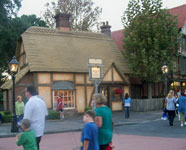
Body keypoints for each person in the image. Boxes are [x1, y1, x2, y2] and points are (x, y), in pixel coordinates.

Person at [24, 85, 48, 150]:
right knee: (36, 146)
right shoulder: (42, 101)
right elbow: (46, 114)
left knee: (31, 147)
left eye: (25, 92)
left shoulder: (29, 103)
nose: (25, 94)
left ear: (29, 92)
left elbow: (26, 120)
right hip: (40, 130)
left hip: (31, 131)